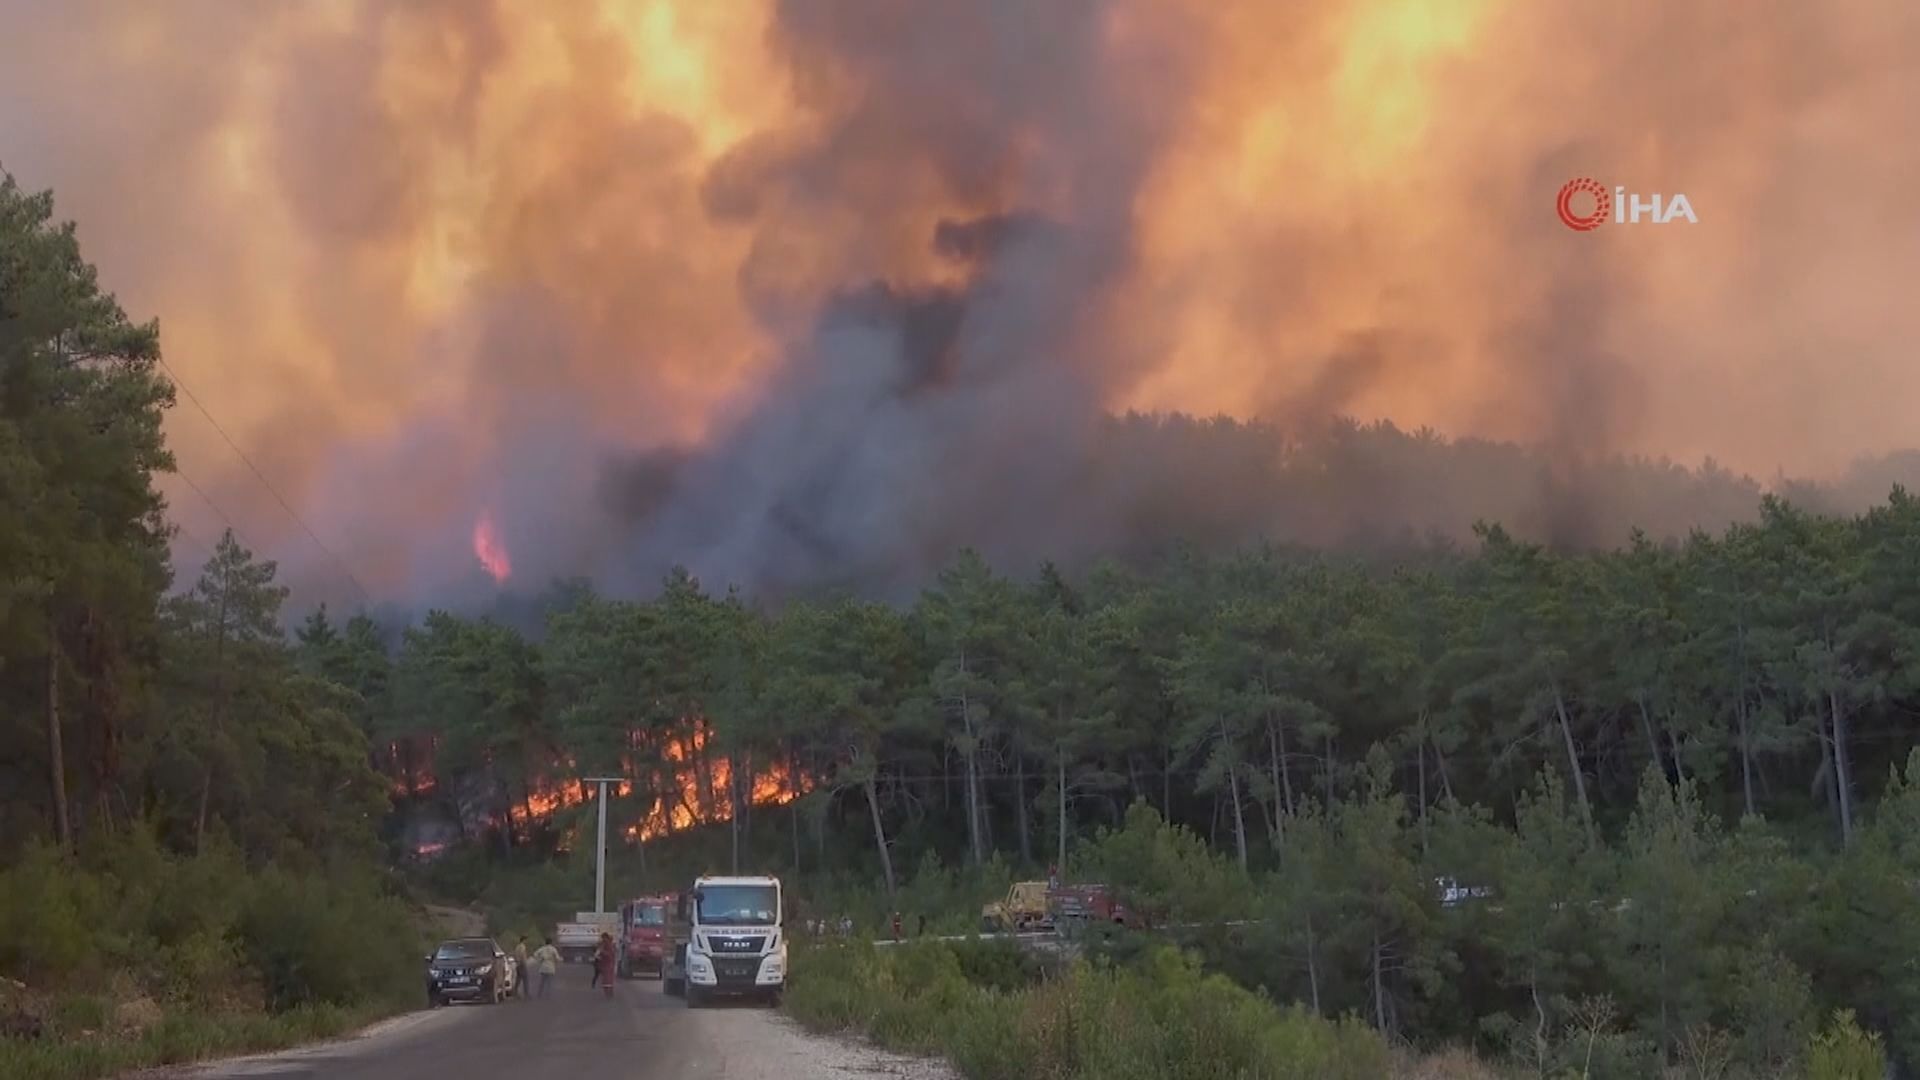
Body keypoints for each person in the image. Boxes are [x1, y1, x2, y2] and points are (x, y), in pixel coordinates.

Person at [594, 932, 616, 999]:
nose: (603, 939)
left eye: (604, 938)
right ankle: (609, 993)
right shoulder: (606, 944)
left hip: (607, 963)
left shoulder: (607, 944)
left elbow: (608, 954)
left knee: (607, 978)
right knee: (608, 979)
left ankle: (609, 993)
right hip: (607, 963)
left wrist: (601, 952)